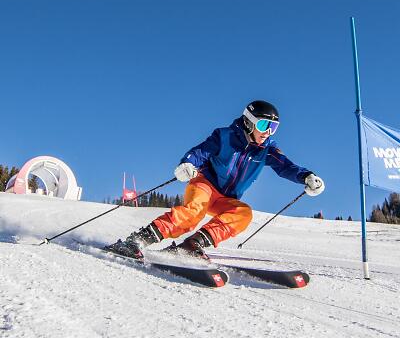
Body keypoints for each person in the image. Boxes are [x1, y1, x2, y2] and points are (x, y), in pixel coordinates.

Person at [105, 100, 325, 259]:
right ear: (249, 122)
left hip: (226, 198)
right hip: (205, 185)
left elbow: (285, 165)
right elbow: (201, 152)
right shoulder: (225, 136)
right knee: (193, 212)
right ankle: (138, 240)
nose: (268, 132)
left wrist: (306, 176)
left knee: (243, 213)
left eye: (273, 128)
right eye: (263, 125)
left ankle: (193, 245)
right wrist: (187, 164)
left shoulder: (267, 149)